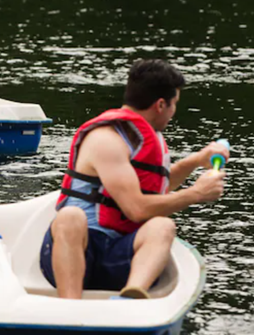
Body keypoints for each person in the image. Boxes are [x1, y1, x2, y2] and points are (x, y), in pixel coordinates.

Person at [40, 59, 229, 300]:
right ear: (161, 105)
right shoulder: (106, 140)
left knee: (163, 226)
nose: (173, 112)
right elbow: (137, 209)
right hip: (77, 253)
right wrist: (196, 194)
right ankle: (70, 307)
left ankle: (130, 298)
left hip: (117, 257)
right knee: (70, 216)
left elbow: (155, 188)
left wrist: (195, 161)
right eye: (174, 104)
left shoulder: (142, 138)